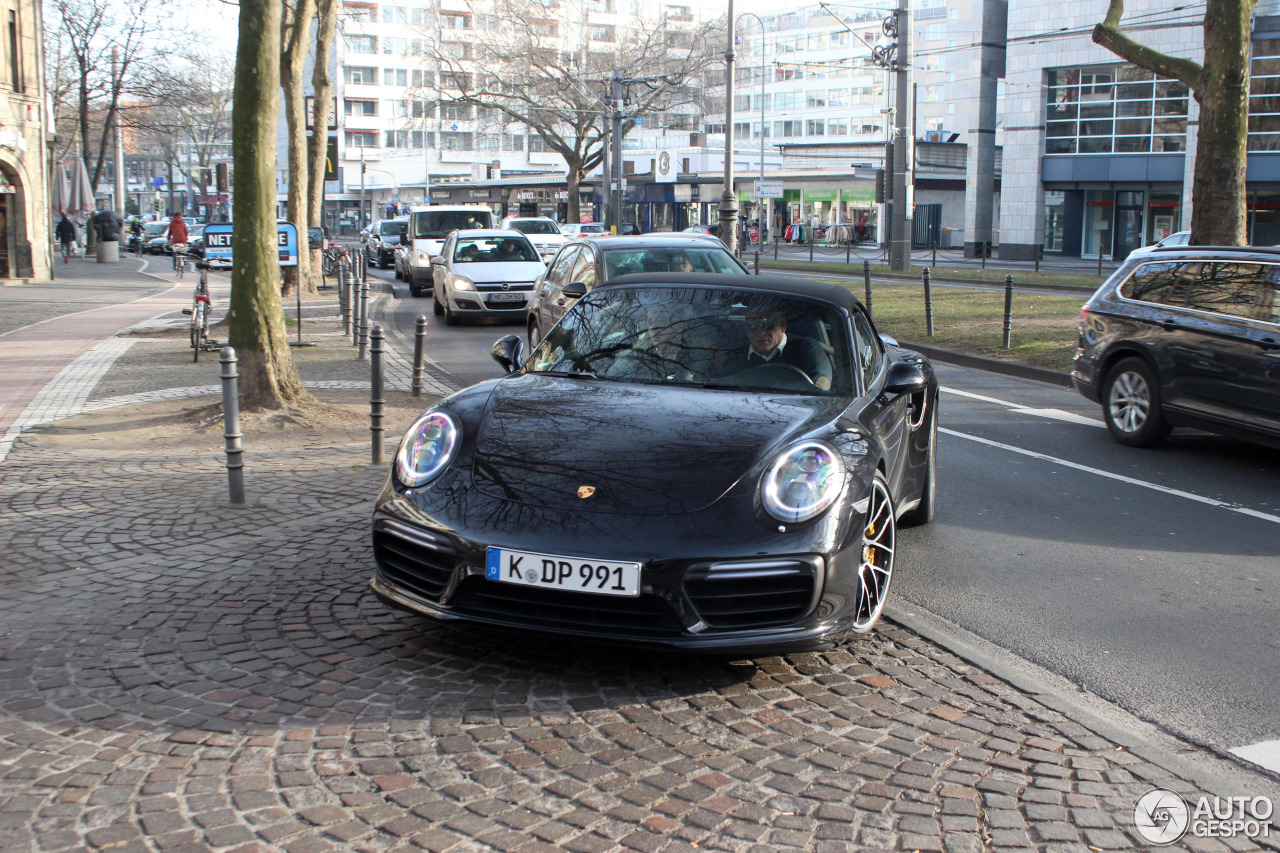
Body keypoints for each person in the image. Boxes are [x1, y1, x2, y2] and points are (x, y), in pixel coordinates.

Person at [728, 309, 832, 390]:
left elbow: (822, 383)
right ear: (746, 331)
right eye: (752, 327)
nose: (760, 333)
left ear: (783, 326)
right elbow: (719, 379)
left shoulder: (807, 348)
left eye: (767, 325)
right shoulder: (734, 352)